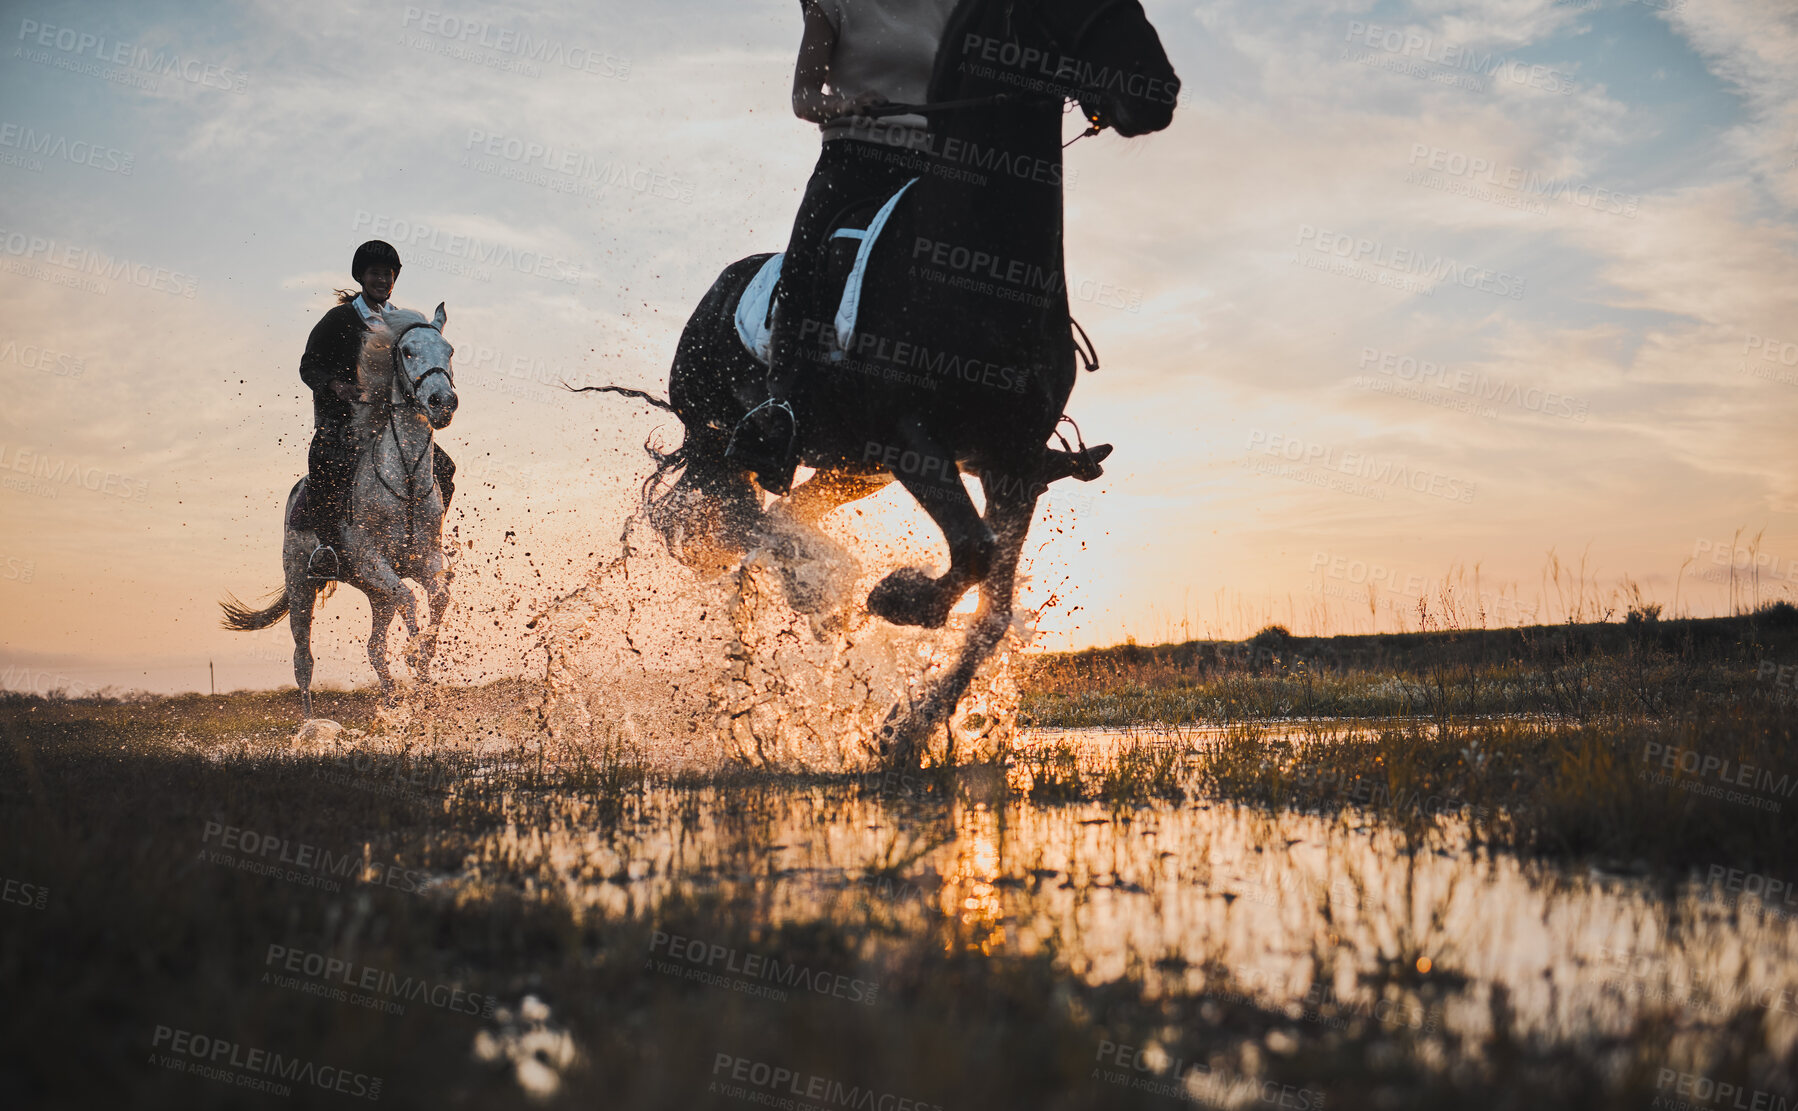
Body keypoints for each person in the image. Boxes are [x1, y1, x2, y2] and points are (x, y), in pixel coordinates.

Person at [726, 0, 960, 496]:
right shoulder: (833, 5)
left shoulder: (955, 9)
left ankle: (1012, 413)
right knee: (806, 263)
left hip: (930, 172)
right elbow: (805, 99)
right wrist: (848, 106)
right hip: (853, 162)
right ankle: (781, 403)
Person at [297, 240, 456, 579]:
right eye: (375, 274)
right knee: (325, 463)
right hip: (344, 418)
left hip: (390, 422)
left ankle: (428, 540)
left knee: (444, 467)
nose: (381, 280)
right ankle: (327, 549)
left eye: (388, 274)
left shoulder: (399, 322)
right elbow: (309, 366)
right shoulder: (339, 318)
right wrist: (335, 385)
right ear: (361, 277)